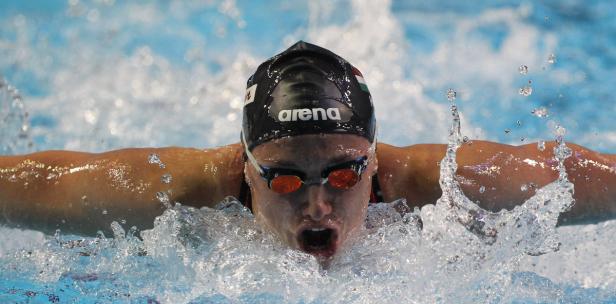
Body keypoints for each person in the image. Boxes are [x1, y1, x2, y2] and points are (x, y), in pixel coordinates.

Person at [0, 41, 614, 258]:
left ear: (374, 157)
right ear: (247, 167)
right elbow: (35, 183)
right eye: (287, 180)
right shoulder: (181, 191)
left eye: (346, 175)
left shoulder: (446, 183)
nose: (318, 204)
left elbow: (585, 175)